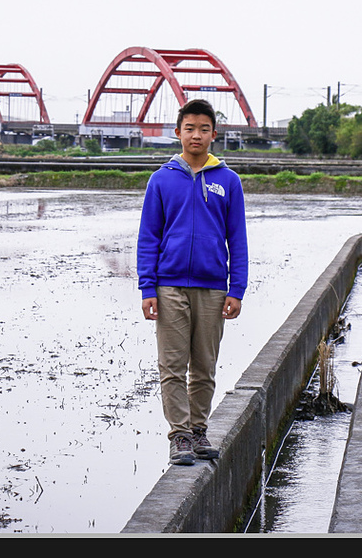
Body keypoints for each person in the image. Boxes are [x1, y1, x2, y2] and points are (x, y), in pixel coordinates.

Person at [136, 98, 248, 466]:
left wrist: (237, 288)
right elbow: (148, 237)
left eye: (203, 129)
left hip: (214, 288)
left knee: (204, 366)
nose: (196, 135)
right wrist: (147, 288)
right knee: (172, 365)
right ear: (178, 133)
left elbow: (238, 238)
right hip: (169, 286)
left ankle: (199, 431)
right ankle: (180, 436)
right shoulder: (161, 180)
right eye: (189, 128)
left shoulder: (228, 181)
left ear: (214, 135)